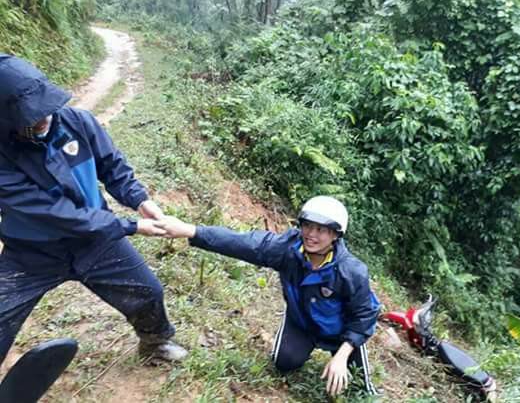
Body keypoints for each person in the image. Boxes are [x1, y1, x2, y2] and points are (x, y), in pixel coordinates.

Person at [0, 53, 187, 367]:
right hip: (33, 251)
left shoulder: (79, 123)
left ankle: (154, 344)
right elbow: (55, 214)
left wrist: (142, 201)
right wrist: (130, 226)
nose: (42, 117)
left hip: (96, 242)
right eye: (29, 115)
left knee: (148, 293)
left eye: (44, 106)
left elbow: (113, 167)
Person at [159, 196, 381, 396]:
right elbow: (243, 243)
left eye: (321, 230)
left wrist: (342, 355)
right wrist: (192, 231)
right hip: (301, 322)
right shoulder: (287, 250)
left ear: (335, 234)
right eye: (307, 226)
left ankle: (344, 358)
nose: (311, 235)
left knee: (361, 391)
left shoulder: (351, 271)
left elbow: (365, 314)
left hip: (342, 333)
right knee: (283, 363)